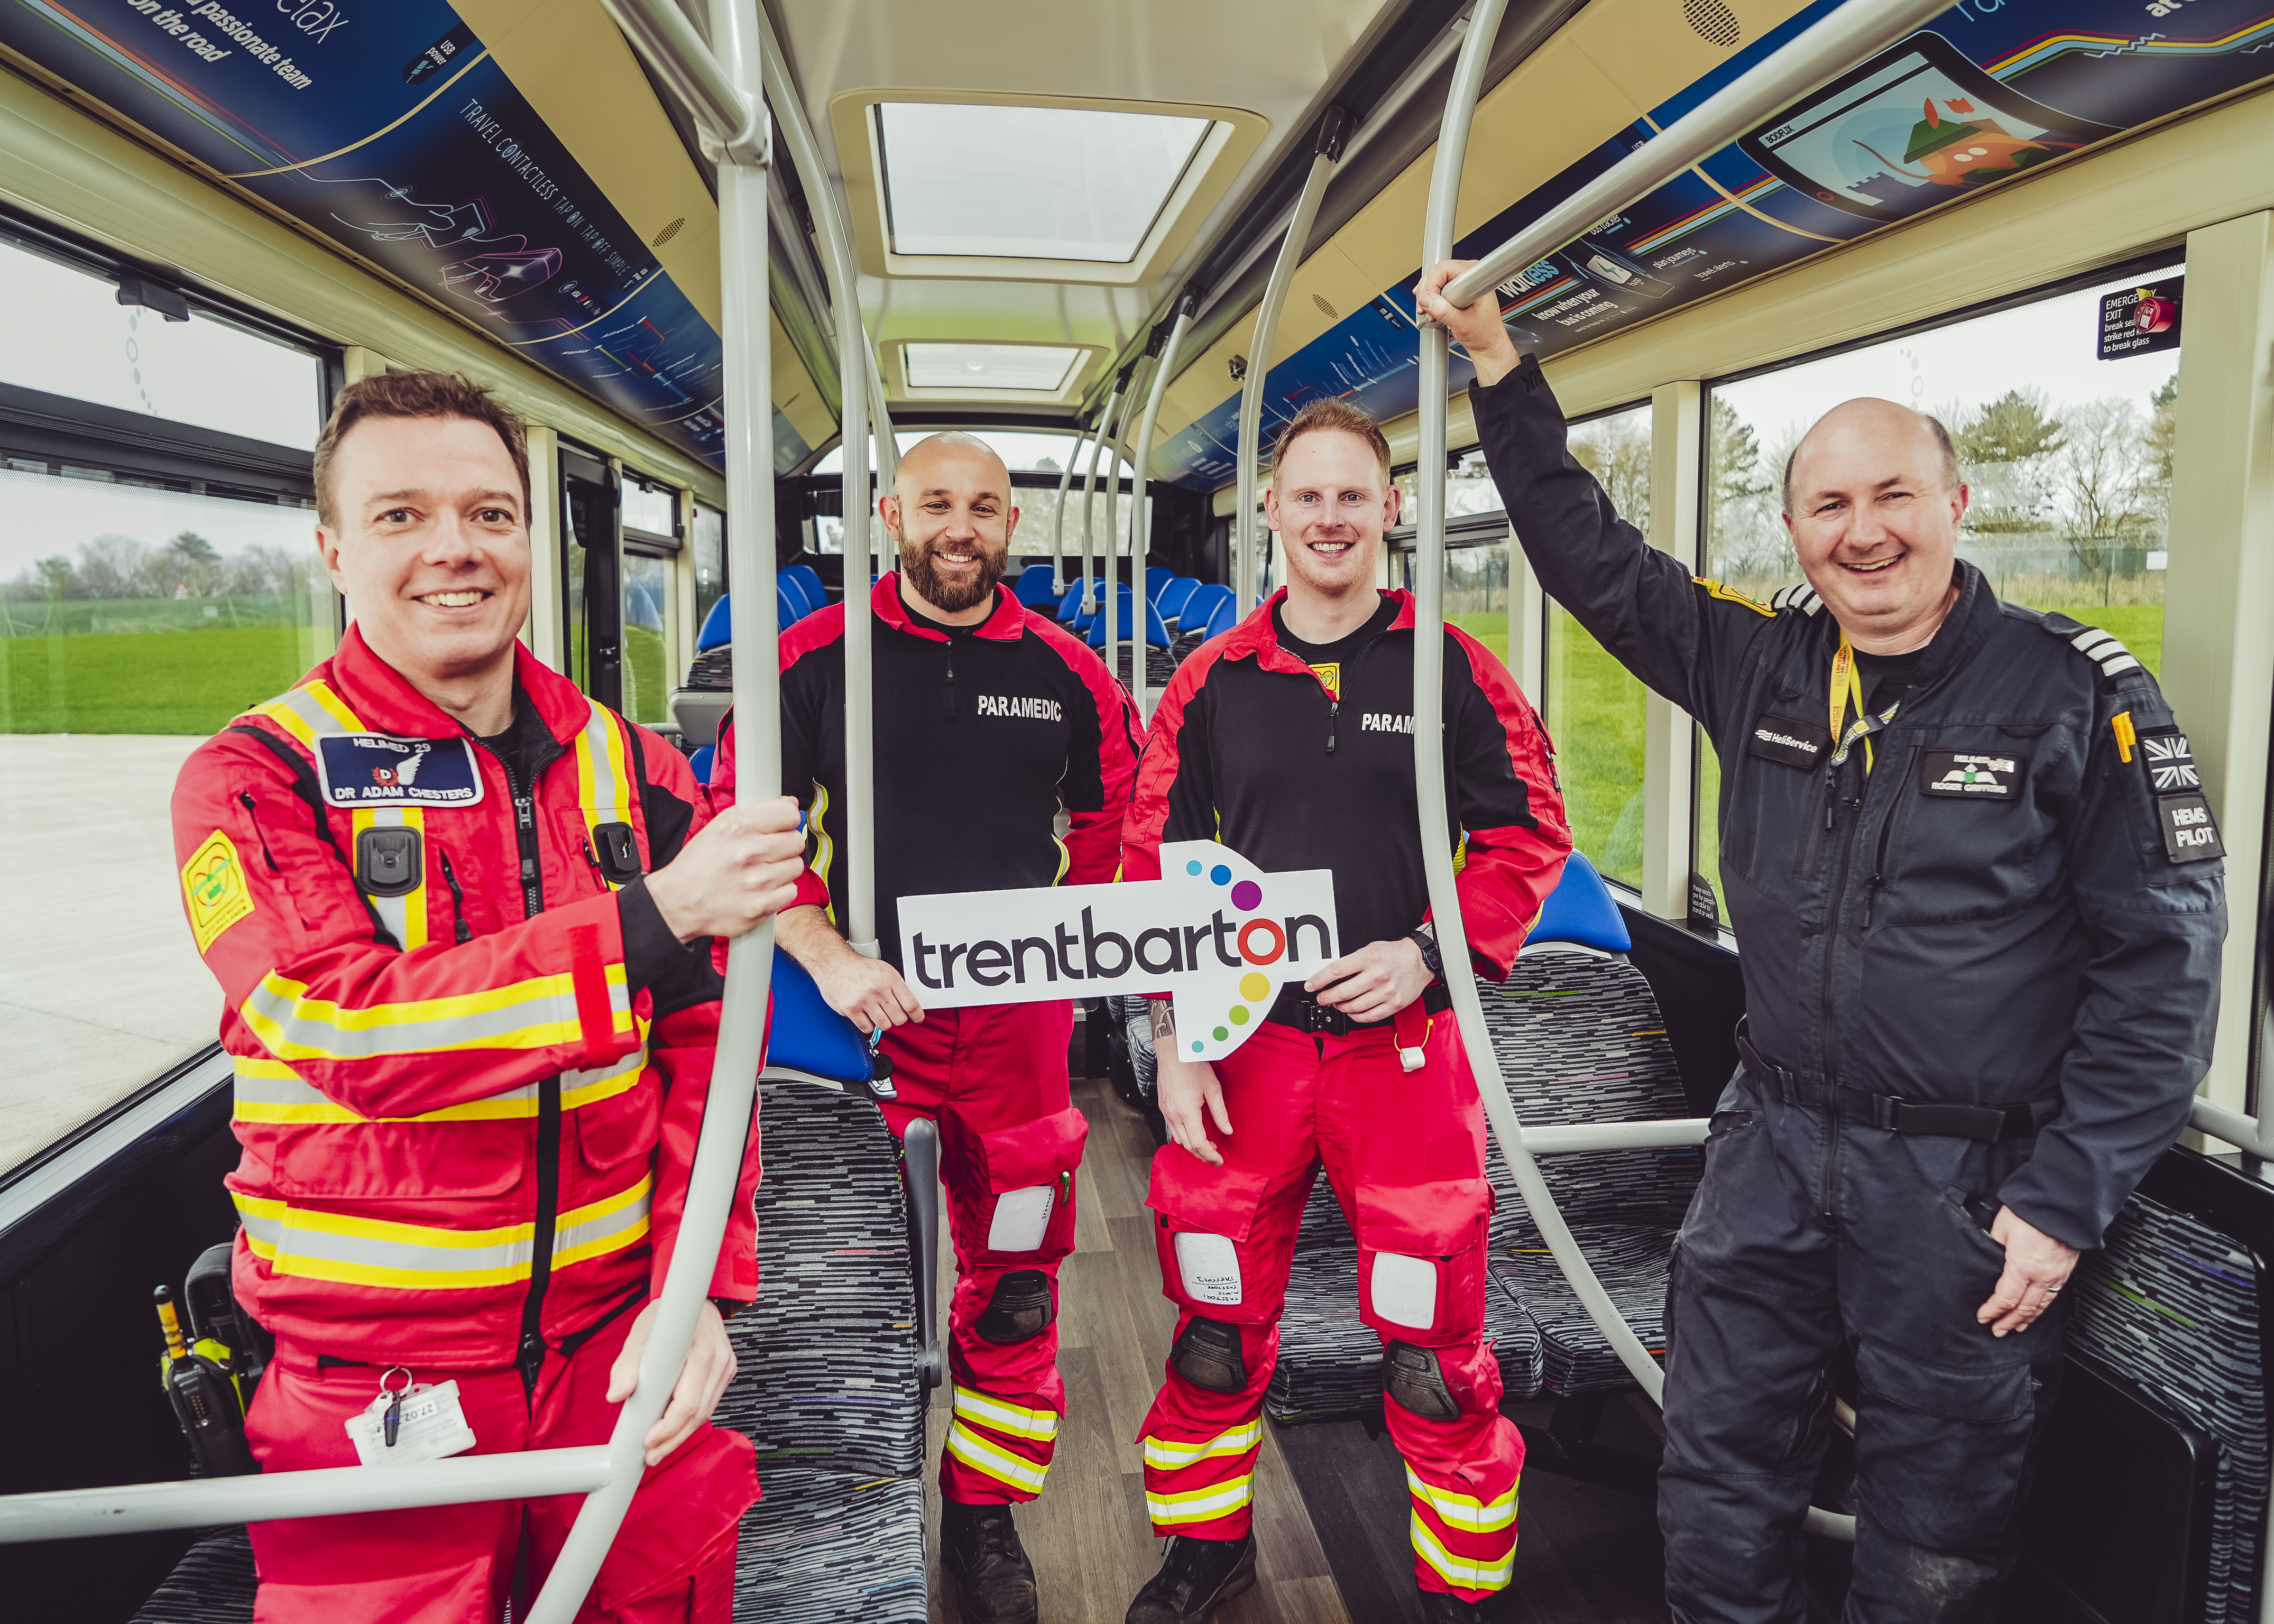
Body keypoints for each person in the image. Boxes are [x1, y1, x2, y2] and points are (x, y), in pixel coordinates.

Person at [1416, 261, 2229, 1622]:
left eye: (1894, 495)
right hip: (1772, 1146)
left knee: (1937, 1529)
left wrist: (2066, 1197)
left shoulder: (2072, 694)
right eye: (1829, 504)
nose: (1866, 532)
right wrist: (1503, 368)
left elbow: (2167, 964)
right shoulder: (1762, 664)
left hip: (1971, 1184)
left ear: (1957, 507)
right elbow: (1589, 558)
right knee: (1716, 1471)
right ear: (1793, 528)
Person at [170, 370, 804, 1621]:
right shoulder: (251, 780)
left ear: (528, 539)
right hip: (376, 1386)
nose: (454, 550)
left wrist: (699, 1298)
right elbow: (344, 1030)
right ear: (334, 549)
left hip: (620, 1353)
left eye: (491, 514)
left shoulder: (640, 770)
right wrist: (655, 916)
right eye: (401, 516)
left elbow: (709, 1072)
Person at [1120, 398, 1571, 1624]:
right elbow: (1146, 868)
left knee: (1429, 1355)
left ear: (1391, 511)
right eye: (1305, 495)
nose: (1329, 517)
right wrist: (1174, 1042)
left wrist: (1431, 953)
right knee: (1216, 1322)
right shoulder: (1209, 683)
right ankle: (1205, 1549)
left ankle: (1458, 1589)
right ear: (1268, 510)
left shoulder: (1453, 670)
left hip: (1408, 1060)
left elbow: (1531, 839)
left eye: (1352, 496)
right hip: (1246, 1055)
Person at [712, 432, 1141, 1624]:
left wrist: (1065, 948)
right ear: (892, 515)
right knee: (848, 1282)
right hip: (855, 1023)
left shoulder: (1070, 673)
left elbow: (1112, 834)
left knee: (1014, 1283)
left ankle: (983, 1516)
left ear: (1016, 527)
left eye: (988, 509)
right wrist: (827, 952)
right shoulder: (809, 662)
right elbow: (744, 832)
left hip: (1015, 1035)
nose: (962, 527)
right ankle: (844, 1490)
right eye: (938, 504)